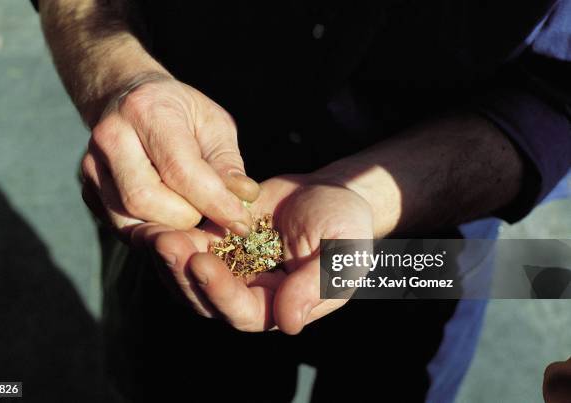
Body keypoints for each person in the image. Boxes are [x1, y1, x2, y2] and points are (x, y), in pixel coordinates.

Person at [32, 0, 571, 401]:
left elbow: (556, 98)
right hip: (178, 207)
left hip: (431, 251)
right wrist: (120, 78)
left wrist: (361, 196)